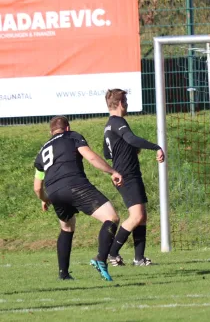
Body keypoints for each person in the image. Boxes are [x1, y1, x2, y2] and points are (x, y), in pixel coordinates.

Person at [33, 116, 123, 281]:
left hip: (54, 191)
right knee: (111, 218)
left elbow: (37, 187)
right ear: (67, 128)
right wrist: (112, 171)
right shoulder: (72, 136)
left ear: (51, 132)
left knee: (67, 227)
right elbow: (90, 157)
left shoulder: (42, 151)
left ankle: (64, 274)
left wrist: (45, 199)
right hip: (74, 184)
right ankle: (100, 259)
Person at [103, 89, 164, 266]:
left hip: (127, 173)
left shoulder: (109, 125)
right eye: (126, 102)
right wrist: (155, 147)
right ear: (121, 103)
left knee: (142, 216)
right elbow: (130, 138)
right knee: (136, 216)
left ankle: (139, 258)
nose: (127, 105)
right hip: (127, 175)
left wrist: (128, 150)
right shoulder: (118, 122)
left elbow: (109, 153)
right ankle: (112, 253)